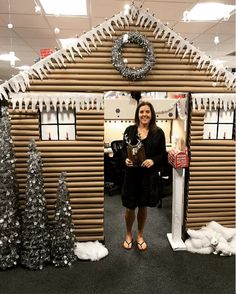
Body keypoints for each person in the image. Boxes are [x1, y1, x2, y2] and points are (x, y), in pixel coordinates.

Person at [121, 101, 166, 251]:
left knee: (143, 206)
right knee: (129, 207)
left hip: (147, 177)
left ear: (152, 114)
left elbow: (162, 155)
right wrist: (124, 159)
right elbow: (122, 150)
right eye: (141, 112)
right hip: (131, 176)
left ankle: (140, 235)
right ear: (137, 114)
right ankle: (128, 234)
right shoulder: (129, 131)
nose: (144, 114)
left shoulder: (158, 133)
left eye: (147, 112)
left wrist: (153, 160)